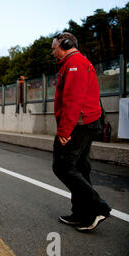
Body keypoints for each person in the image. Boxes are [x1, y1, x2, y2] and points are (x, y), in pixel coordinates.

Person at [51, 32, 111, 232]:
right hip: (86, 122)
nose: (53, 52)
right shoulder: (74, 62)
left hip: (79, 123)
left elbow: (73, 100)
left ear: (66, 44)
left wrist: (64, 130)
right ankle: (82, 214)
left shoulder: (75, 63)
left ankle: (98, 207)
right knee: (80, 169)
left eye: (54, 48)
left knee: (62, 166)